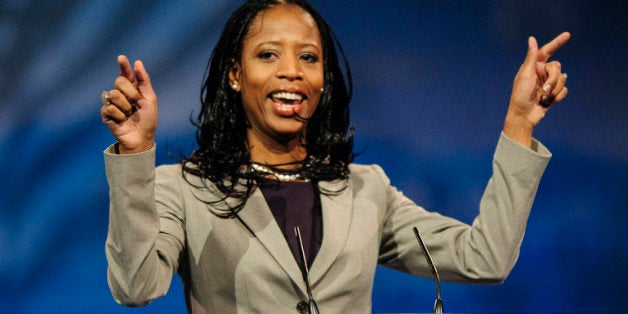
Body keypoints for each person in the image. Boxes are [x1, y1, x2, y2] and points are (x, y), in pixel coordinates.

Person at [100, 0, 569, 313]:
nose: (291, 72)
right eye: (268, 55)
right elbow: (135, 287)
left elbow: (484, 258)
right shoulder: (184, 187)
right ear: (235, 75)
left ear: (324, 80)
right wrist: (136, 152)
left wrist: (519, 126)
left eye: (309, 58)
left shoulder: (366, 189)